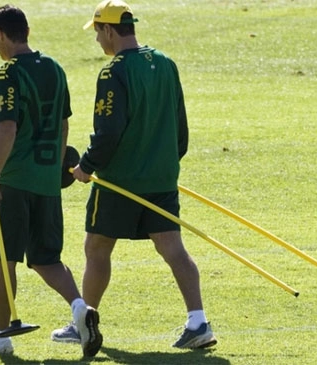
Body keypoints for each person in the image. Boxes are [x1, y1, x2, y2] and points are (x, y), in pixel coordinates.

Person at [50, 0, 217, 350]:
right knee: (173, 249)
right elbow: (180, 126)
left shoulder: (114, 72)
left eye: (98, 33)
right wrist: (166, 163)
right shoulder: (166, 64)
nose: (97, 41)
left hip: (120, 182)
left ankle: (83, 322)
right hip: (161, 178)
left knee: (96, 246)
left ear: (109, 30)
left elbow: (108, 131)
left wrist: (87, 166)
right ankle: (198, 321)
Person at [0, 5, 102, 357]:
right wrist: (55, 168)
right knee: (46, 258)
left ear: (0, 34)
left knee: (3, 260)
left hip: (13, 181)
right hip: (46, 182)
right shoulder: (55, 69)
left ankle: (0, 336)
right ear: (26, 30)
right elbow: (64, 124)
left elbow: (7, 128)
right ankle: (79, 309)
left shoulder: (7, 73)